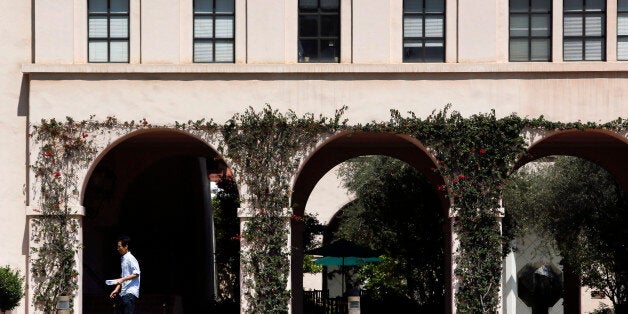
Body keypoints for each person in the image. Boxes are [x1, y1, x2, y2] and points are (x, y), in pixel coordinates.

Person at [109, 236, 141, 314]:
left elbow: (136, 273)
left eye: (119, 246)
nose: (118, 249)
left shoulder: (130, 258)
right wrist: (116, 289)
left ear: (126, 246)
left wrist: (122, 279)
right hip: (124, 293)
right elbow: (123, 277)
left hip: (130, 293)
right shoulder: (124, 259)